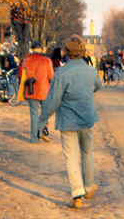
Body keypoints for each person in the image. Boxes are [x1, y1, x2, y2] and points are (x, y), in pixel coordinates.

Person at [38, 35, 102, 209]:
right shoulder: (90, 70)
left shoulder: (62, 73)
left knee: (71, 157)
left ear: (66, 52)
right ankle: (89, 187)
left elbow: (53, 101)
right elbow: (98, 85)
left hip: (68, 120)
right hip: (87, 117)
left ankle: (77, 193)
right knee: (87, 153)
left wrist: (42, 120)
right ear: (82, 51)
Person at [19, 41, 54, 143]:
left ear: (32, 49)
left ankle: (34, 138)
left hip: (31, 89)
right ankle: (42, 131)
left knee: (33, 114)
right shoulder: (46, 60)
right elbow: (51, 76)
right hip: (44, 90)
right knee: (45, 113)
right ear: (41, 49)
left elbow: (22, 74)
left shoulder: (26, 60)